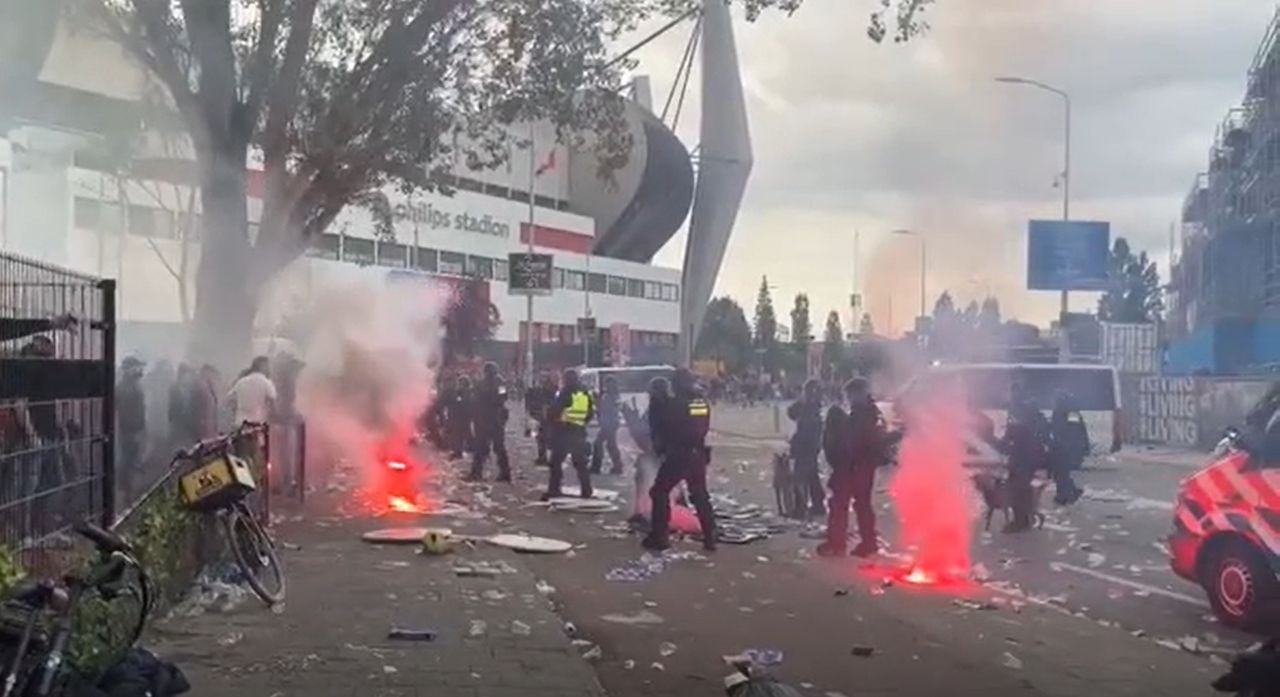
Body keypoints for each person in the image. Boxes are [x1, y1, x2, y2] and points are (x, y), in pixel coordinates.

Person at [643, 368, 716, 552]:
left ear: (677, 383)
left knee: (659, 492)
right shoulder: (702, 402)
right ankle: (710, 537)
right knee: (700, 495)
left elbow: (666, 428)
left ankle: (660, 537)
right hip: (698, 454)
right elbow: (703, 427)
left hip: (679, 455)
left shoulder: (675, 404)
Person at [818, 377, 887, 558]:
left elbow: (853, 442)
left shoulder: (862, 415)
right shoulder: (871, 413)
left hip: (853, 467)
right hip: (863, 467)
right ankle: (868, 543)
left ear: (859, 394)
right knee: (861, 505)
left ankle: (837, 543)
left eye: (850, 395)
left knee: (840, 504)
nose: (848, 399)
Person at [1000, 377, 1050, 533]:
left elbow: (1014, 432)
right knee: (1021, 488)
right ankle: (1024, 519)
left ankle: (1020, 521)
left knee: (1017, 488)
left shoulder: (1021, 411)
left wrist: (1002, 443)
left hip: (1023, 457)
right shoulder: (1026, 409)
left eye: (1013, 393)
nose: (1011, 396)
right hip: (1028, 455)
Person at [543, 368, 594, 501]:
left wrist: (551, 419)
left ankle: (554, 490)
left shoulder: (565, 393)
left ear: (566, 380)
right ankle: (586, 490)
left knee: (555, 463)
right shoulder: (584, 393)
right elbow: (590, 412)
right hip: (578, 432)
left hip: (563, 433)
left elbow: (554, 412)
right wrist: (580, 422)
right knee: (580, 463)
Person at [786, 379, 826, 518]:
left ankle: (800, 508)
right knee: (811, 476)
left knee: (800, 477)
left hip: (806, 446)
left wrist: (795, 445)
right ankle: (818, 504)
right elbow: (791, 413)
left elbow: (804, 430)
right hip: (811, 446)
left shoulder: (810, 408)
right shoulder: (812, 406)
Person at [468, 362, 511, 482]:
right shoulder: (500, 383)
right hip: (495, 419)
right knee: (498, 447)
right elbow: (503, 397)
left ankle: (477, 473)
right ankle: (505, 472)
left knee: (483, 447)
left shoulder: (483, 384)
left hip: (488, 418)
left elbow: (477, 400)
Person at [115, 356, 147, 503]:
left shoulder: (132, 386)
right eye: (136, 367)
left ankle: (128, 493)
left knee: (131, 461)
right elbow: (125, 411)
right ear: (128, 370)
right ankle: (126, 495)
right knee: (128, 462)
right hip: (129, 431)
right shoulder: (125, 388)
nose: (140, 370)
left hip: (133, 430)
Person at [1047, 391, 1085, 506]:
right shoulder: (1060, 411)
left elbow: (1074, 429)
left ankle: (1064, 495)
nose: (1053, 402)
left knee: (1061, 472)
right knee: (1061, 472)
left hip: (1067, 447)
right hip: (1061, 446)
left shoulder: (1071, 412)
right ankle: (1070, 492)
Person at [227, 356, 277, 425]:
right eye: (268, 366)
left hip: (240, 422)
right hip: (258, 423)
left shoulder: (241, 382)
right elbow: (273, 403)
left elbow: (230, 400)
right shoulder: (266, 383)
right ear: (263, 367)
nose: (270, 369)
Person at [590, 375, 625, 475]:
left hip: (608, 424)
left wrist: (596, 401)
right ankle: (618, 467)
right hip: (611, 423)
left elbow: (603, 409)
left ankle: (596, 467)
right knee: (611, 445)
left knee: (598, 444)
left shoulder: (609, 396)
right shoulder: (613, 395)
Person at [524, 373, 556, 466]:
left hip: (545, 417)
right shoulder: (535, 390)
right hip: (538, 417)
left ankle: (547, 458)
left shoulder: (550, 389)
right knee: (540, 438)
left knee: (546, 438)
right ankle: (542, 457)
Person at [445, 375, 474, 459]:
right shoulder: (463, 392)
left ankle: (462, 449)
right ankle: (462, 449)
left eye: (462, 383)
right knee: (462, 433)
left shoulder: (465, 392)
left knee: (461, 433)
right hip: (462, 415)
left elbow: (460, 402)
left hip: (463, 415)